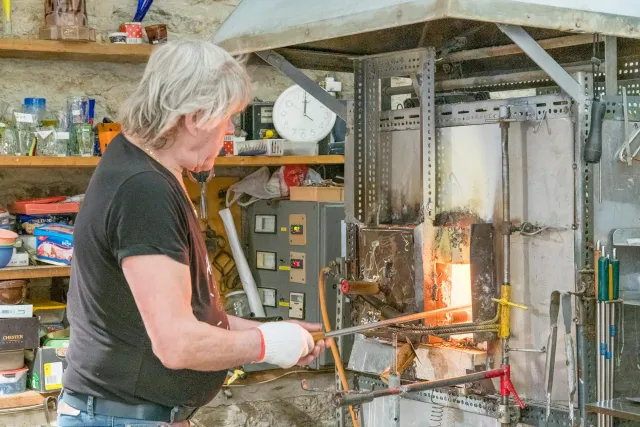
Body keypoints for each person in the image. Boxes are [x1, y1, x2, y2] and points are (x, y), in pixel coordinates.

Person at [57, 40, 328, 427]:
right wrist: (265, 344)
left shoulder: (141, 165)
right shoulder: (143, 190)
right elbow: (177, 344)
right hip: (122, 417)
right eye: (227, 118)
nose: (230, 130)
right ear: (196, 116)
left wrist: (273, 334)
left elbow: (194, 318)